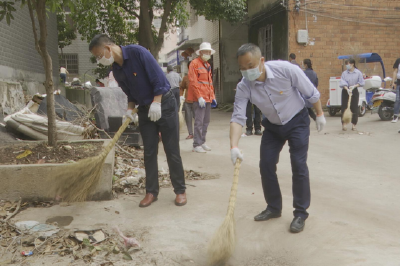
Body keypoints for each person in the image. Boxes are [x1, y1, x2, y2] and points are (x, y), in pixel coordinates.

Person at [230, 43, 326, 233]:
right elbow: (238, 117)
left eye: (250, 66)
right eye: (242, 68)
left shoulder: (287, 70)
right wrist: (234, 146)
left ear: (261, 61)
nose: (247, 71)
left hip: (297, 120)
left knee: (298, 165)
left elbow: (310, 92)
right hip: (273, 126)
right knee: (266, 164)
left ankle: (300, 213)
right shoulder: (244, 87)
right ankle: (273, 207)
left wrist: (320, 113)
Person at [89, 34, 186, 207]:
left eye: (98, 55)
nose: (99, 60)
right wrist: (128, 110)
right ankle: (151, 192)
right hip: (144, 109)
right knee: (149, 151)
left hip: (164, 103)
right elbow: (130, 94)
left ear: (108, 48)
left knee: (171, 150)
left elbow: (158, 79)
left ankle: (180, 190)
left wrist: (156, 103)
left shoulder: (138, 52)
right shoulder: (116, 71)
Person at [187, 42, 216, 153]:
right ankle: (196, 144)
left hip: (207, 98)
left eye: (209, 52)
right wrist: (199, 97)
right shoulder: (194, 64)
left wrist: (212, 96)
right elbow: (193, 81)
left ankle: (202, 142)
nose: (208, 53)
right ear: (200, 52)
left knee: (206, 121)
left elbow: (209, 83)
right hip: (199, 99)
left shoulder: (207, 65)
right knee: (199, 121)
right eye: (206, 51)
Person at [339, 59, 365, 131]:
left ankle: (354, 124)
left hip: (354, 90)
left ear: (353, 64)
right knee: (344, 107)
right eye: (346, 64)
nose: (347, 65)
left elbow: (362, 82)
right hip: (345, 90)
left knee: (354, 107)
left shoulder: (358, 72)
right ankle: (344, 124)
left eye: (348, 64)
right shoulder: (344, 73)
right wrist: (346, 88)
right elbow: (342, 82)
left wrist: (355, 86)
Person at [180, 61, 194, 139]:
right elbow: (181, 88)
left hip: (197, 101)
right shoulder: (186, 78)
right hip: (188, 101)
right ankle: (190, 133)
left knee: (198, 118)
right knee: (188, 118)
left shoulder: (199, 76)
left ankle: (198, 133)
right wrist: (181, 96)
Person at [391, 57, 400, 123]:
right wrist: (393, 82)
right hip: (399, 82)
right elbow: (395, 71)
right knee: (397, 99)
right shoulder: (398, 60)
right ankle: (395, 116)